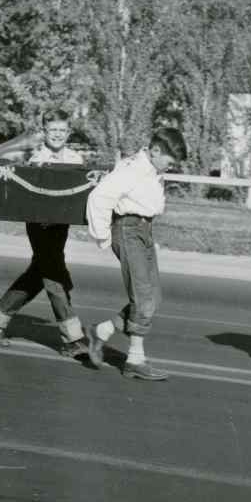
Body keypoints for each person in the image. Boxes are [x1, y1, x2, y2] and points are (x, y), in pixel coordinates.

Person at [81, 127, 188, 382]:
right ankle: (135, 360)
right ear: (156, 150)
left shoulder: (149, 167)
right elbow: (99, 197)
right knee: (143, 298)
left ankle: (101, 332)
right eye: (170, 163)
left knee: (154, 297)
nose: (170, 168)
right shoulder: (133, 168)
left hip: (143, 230)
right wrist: (103, 236)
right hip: (128, 229)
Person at [0, 110, 91, 358]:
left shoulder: (75, 159)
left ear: (69, 132)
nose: (57, 135)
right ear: (44, 131)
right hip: (38, 223)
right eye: (52, 130)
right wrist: (21, 146)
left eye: (62, 130)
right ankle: (72, 337)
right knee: (53, 274)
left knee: (39, 272)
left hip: (61, 223)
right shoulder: (32, 156)